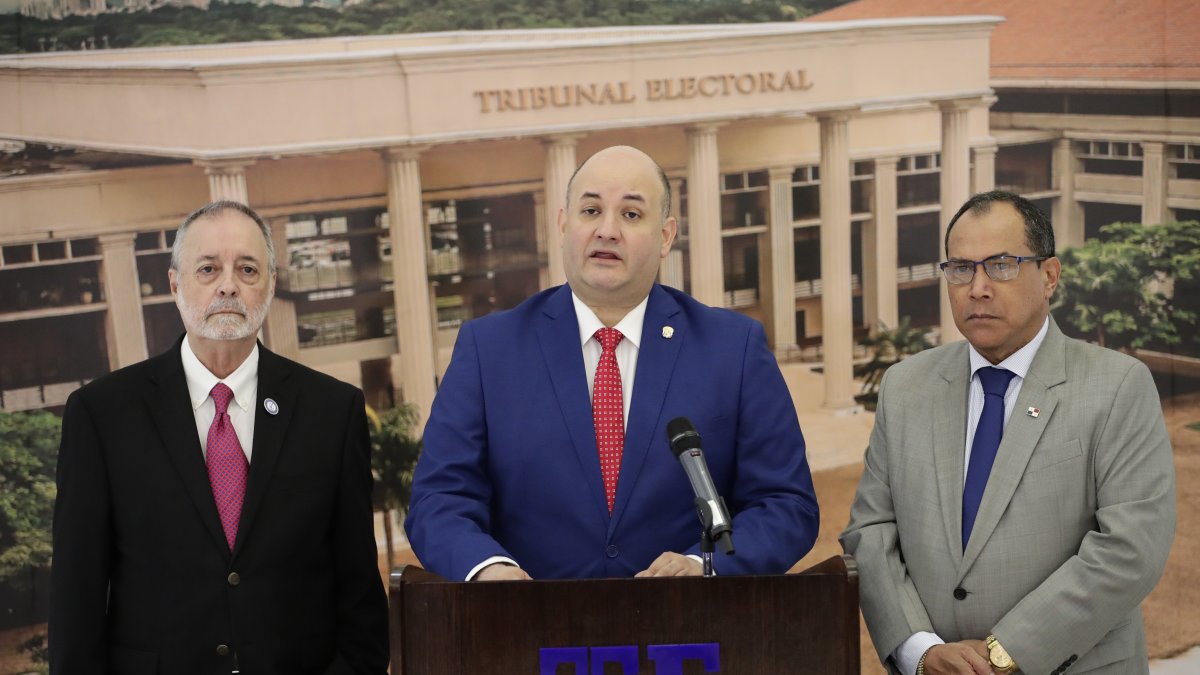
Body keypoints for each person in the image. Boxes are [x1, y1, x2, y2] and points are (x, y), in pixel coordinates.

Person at [405, 145, 818, 581]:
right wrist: (488, 569)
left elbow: (786, 504)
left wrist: (704, 567)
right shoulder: (489, 349)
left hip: (687, 619)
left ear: (666, 237)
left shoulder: (732, 348)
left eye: (631, 214)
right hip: (529, 619)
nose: (607, 230)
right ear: (563, 225)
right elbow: (439, 500)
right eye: (590, 211)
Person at [842, 191, 1176, 675]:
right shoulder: (905, 386)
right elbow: (871, 530)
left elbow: (1130, 549)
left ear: (1050, 276)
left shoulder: (1118, 386)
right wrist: (921, 651)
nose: (977, 288)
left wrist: (1003, 654)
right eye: (961, 268)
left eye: (1000, 265)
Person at [49, 201, 389, 674]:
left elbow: (361, 602)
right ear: (175, 284)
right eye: (208, 269)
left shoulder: (333, 411)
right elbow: (75, 604)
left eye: (247, 269)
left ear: (270, 285)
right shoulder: (101, 414)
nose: (228, 285)